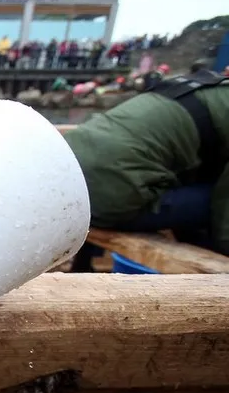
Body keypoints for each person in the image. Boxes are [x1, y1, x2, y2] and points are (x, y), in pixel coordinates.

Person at [67, 68, 229, 270]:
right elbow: (224, 207)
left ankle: (82, 267)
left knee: (118, 174)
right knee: (211, 198)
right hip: (104, 204)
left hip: (68, 187)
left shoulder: (202, 85)